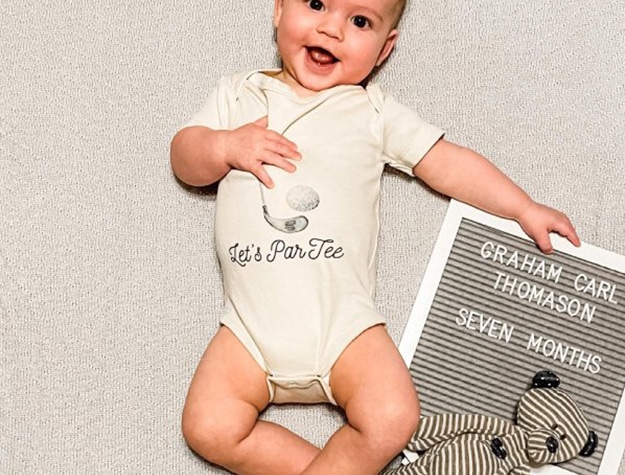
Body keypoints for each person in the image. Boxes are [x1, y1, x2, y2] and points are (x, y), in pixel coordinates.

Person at [170, 0, 581, 473]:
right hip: (247, 329)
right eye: (317, 3)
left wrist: (522, 207)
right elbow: (186, 160)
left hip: (343, 326)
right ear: (279, 9)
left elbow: (446, 162)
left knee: (394, 417)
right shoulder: (240, 93)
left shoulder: (371, 110)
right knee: (207, 426)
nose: (332, 28)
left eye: (360, 21)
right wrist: (224, 145)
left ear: (384, 50)